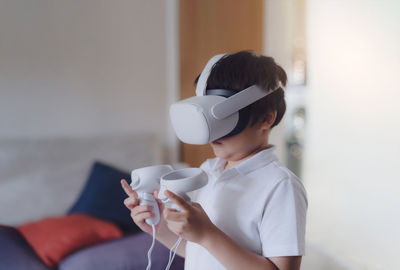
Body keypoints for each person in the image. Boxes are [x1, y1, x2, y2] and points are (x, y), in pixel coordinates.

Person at [121, 51, 307, 270]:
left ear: (266, 118)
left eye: (224, 121)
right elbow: (199, 251)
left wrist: (208, 235)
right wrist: (158, 226)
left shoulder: (280, 186)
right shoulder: (208, 171)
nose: (212, 133)